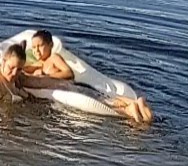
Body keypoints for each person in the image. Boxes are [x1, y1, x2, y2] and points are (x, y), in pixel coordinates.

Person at [19, 29, 154, 125]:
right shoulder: (40, 63)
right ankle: (136, 106)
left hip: (74, 87)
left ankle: (131, 107)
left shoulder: (53, 58)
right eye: (34, 47)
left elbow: (68, 73)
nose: (36, 50)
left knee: (105, 101)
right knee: (106, 99)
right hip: (71, 89)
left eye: (40, 46)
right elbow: (26, 68)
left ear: (50, 45)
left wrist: (47, 76)